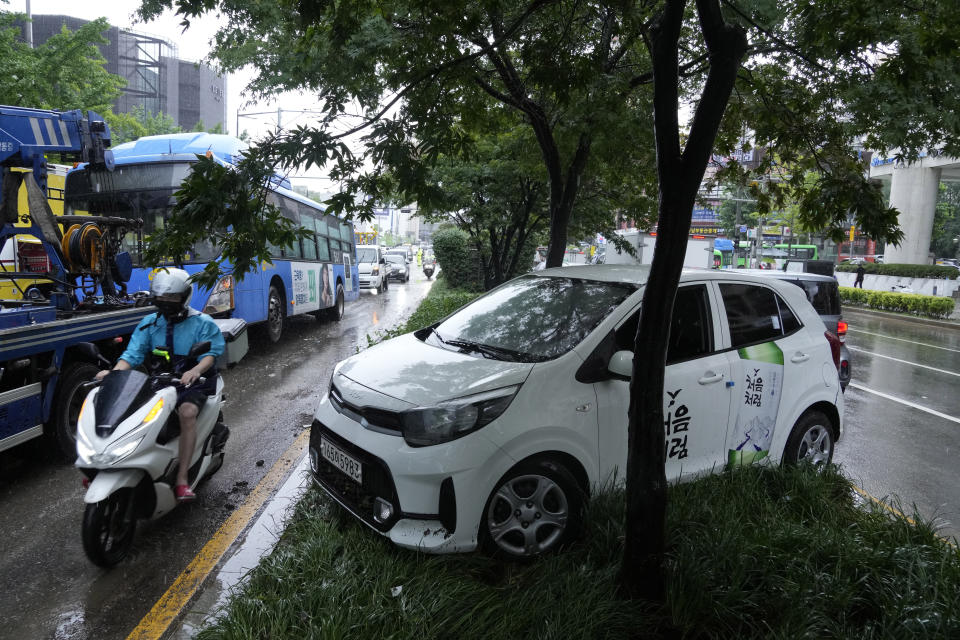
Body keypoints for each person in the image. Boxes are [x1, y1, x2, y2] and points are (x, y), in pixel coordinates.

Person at [95, 268, 224, 502]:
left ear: (184, 296)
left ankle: (182, 479)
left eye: (172, 297)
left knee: (187, 412)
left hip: (194, 382)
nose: (165, 302)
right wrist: (113, 373)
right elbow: (132, 355)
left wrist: (194, 370)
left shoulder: (201, 323)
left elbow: (211, 354)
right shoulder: (149, 323)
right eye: (161, 298)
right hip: (160, 381)